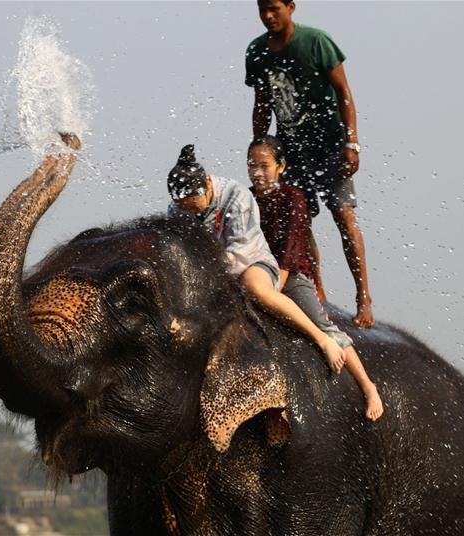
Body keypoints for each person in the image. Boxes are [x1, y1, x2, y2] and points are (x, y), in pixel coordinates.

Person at [246, 0, 376, 328]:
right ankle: (318, 291)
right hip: (291, 149)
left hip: (330, 145)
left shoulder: (316, 42)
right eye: (262, 9)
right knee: (299, 220)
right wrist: (260, 152)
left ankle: (364, 298)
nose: (268, 16)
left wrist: (352, 143)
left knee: (344, 215)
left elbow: (344, 92)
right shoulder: (257, 52)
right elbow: (261, 103)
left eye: (274, 8)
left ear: (291, 7)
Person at [166, 144, 348, 378]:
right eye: (184, 207)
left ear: (208, 184)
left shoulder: (236, 195)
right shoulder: (176, 209)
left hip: (251, 262)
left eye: (193, 205)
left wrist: (206, 275)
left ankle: (322, 339)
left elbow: (240, 249)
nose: (190, 212)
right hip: (209, 271)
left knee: (256, 289)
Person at [247, 135, 383, 420]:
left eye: (264, 166)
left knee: (324, 325)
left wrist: (272, 293)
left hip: (290, 277)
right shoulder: (245, 200)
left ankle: (368, 386)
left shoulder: (293, 199)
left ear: (281, 167)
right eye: (252, 166)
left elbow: (288, 255)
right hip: (255, 277)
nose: (257, 173)